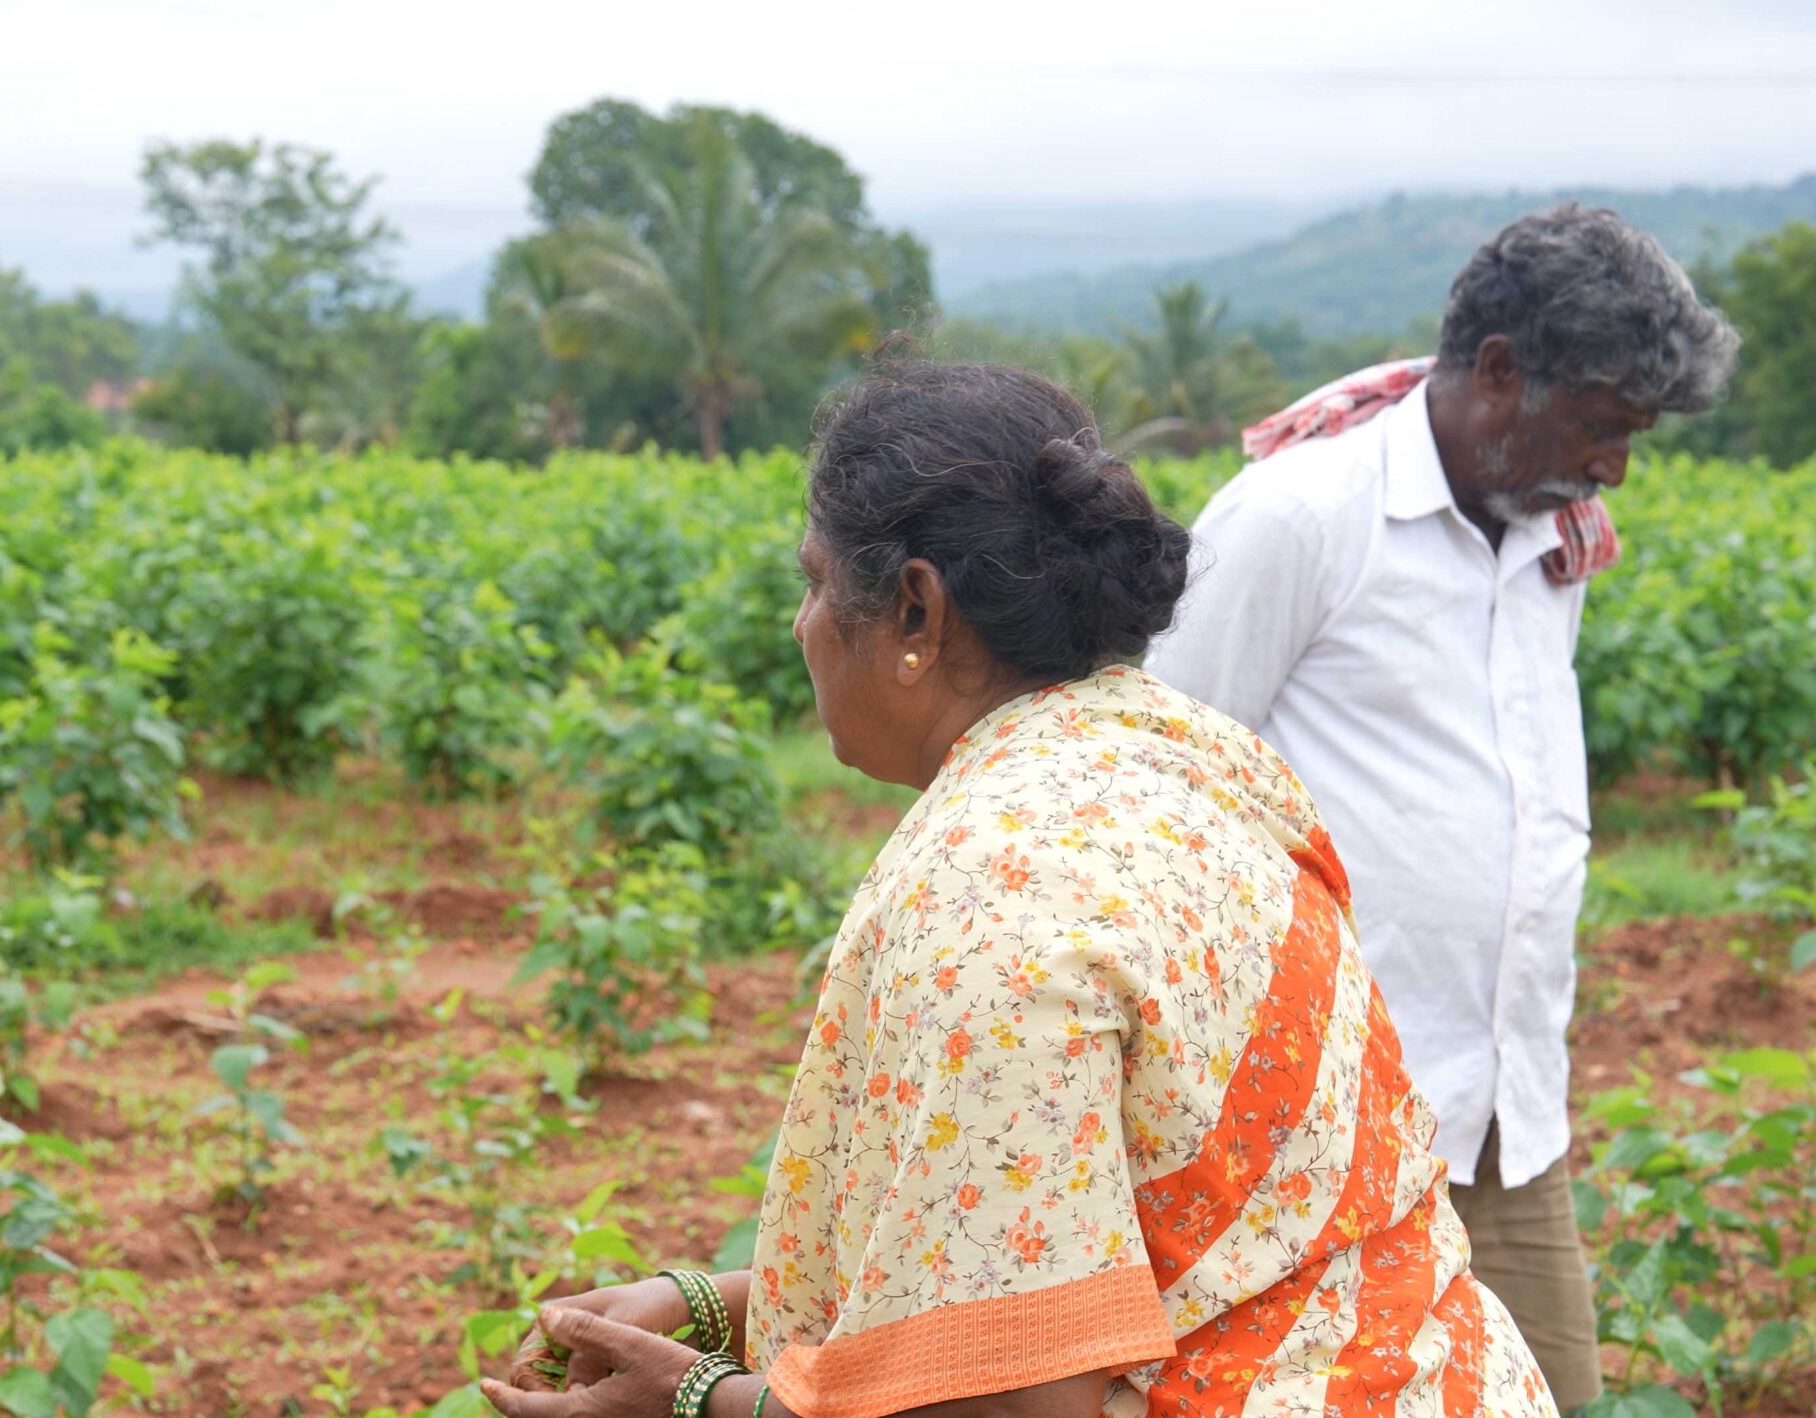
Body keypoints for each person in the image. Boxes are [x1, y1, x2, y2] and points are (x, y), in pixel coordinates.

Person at [482, 363, 1555, 1418]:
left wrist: (695, 1402)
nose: (800, 625)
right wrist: (705, 1307)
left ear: (915, 612)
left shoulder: (989, 899)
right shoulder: (1190, 764)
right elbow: (1094, 1245)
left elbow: (1013, 1399)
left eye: (814, 582)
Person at [1148, 204, 1740, 1411]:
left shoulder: (1547, 536)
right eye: (1603, 424)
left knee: (1554, 1392)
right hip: (1317, 1121)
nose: (1617, 465)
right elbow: (1157, 786)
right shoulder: (1298, 520)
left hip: (1505, 1117)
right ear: (1501, 372)